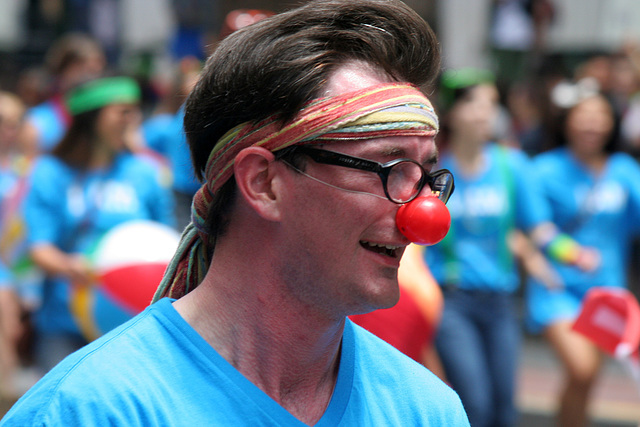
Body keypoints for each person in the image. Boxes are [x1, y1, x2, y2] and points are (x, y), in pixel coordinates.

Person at [1, 1, 470, 425]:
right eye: (389, 167)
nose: (425, 214)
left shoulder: (427, 410)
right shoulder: (86, 412)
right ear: (263, 183)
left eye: (428, 175)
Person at [425, 68, 597, 427]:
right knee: (475, 402)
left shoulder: (512, 166)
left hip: (500, 302)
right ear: (453, 112)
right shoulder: (435, 171)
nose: (487, 112)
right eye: (476, 103)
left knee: (505, 409)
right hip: (452, 301)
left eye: (493, 104)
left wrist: (572, 254)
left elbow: (540, 231)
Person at [18, 76, 175, 375]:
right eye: (122, 111)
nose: (133, 119)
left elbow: (165, 243)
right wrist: (68, 266)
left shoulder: (147, 172)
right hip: (65, 320)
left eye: (135, 110)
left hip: (132, 321)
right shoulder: (50, 173)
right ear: (92, 118)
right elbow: (39, 247)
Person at [526, 87, 640, 427]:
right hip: (557, 288)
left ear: (612, 123)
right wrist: (571, 253)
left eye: (600, 116)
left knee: (586, 379)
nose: (593, 124)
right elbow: (536, 228)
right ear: (568, 121)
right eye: (584, 115)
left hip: (606, 295)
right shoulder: (544, 169)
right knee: (581, 367)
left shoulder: (623, 170)